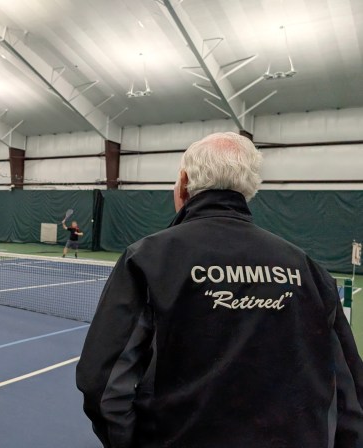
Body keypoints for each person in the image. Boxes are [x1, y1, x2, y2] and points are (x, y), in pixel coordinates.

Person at [76, 132, 363, 448]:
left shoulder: (147, 259)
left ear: (184, 183)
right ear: (249, 188)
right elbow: (348, 392)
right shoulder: (310, 270)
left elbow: (102, 385)